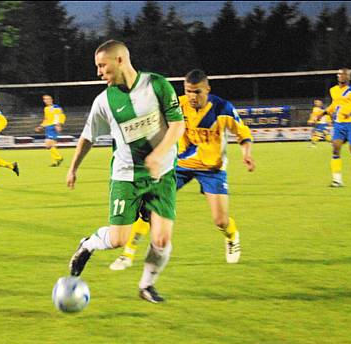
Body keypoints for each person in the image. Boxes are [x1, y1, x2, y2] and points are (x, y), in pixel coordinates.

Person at [66, 40, 185, 303]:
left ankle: (146, 286)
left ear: (119, 60)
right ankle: (88, 244)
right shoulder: (103, 101)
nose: (98, 72)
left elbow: (178, 125)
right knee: (119, 238)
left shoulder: (157, 85)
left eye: (101, 65)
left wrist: (158, 154)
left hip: (161, 173)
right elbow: (88, 137)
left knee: (162, 239)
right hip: (126, 176)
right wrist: (73, 167)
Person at [109, 69, 255, 271]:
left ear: (207, 89)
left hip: (212, 169)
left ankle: (232, 236)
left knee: (220, 220)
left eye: (197, 92)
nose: (192, 97)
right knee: (149, 209)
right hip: (179, 165)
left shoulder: (223, 108)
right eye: (188, 91)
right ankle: (127, 254)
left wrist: (246, 154)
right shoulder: (178, 105)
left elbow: (243, 134)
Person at [35, 94, 66, 167]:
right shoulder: (46, 109)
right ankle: (55, 162)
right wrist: (41, 126)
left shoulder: (56, 107)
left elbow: (61, 116)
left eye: (48, 99)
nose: (46, 100)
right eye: (45, 99)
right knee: (52, 146)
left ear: (51, 100)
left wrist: (58, 124)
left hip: (53, 127)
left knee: (48, 145)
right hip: (48, 127)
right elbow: (46, 119)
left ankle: (59, 157)